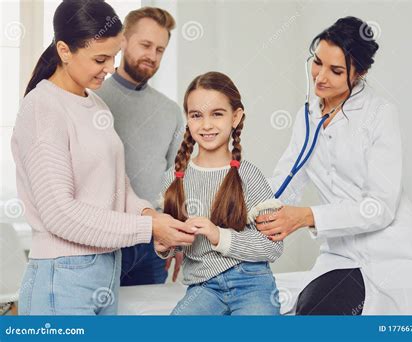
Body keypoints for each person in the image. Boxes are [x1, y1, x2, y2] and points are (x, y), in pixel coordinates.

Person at [11, 0, 194, 315]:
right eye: (100, 58)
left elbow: (119, 190)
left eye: (114, 57)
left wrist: (155, 217)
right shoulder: (43, 108)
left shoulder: (96, 106)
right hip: (62, 278)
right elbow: (61, 215)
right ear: (65, 51)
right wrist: (148, 229)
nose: (110, 68)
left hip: (104, 272)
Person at [256, 16, 412, 315]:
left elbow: (380, 207)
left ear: (360, 73)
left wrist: (306, 217)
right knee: (308, 311)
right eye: (317, 62)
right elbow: (282, 184)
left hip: (392, 255)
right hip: (341, 256)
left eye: (336, 71)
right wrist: (244, 209)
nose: (320, 77)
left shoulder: (380, 114)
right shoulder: (306, 117)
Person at [156, 72, 283, 315]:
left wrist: (218, 236)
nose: (206, 125)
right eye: (196, 115)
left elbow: (272, 246)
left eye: (217, 114)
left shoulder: (250, 176)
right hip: (203, 287)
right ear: (188, 120)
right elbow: (172, 245)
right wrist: (164, 245)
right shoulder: (172, 179)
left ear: (235, 117)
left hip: (252, 283)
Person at [95, 7, 184, 285]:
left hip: (151, 244)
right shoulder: (93, 98)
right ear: (122, 41)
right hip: (102, 240)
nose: (152, 56)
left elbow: (177, 179)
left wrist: (176, 237)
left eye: (160, 49)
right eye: (145, 45)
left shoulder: (170, 111)